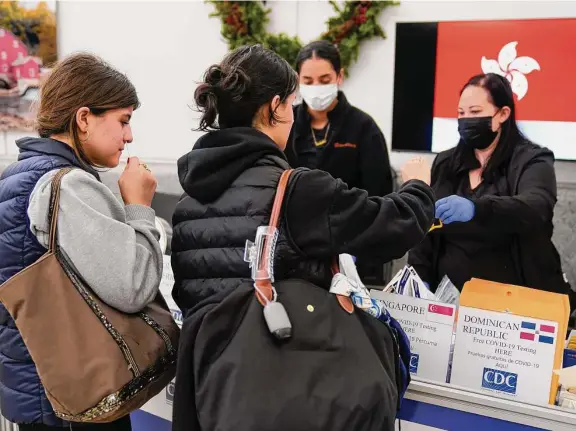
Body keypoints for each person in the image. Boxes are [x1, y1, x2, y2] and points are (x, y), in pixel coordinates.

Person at [170, 44, 434, 429]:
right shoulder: (296, 190)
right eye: (293, 100)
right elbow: (392, 227)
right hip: (286, 390)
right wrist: (418, 187)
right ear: (275, 106)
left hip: (213, 393)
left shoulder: (189, 200)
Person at [0, 53, 163, 430]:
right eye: (123, 120)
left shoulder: (16, 177)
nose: (129, 136)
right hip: (79, 402)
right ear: (84, 118)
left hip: (37, 392)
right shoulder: (69, 185)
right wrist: (138, 207)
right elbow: (133, 286)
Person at [408, 73, 573, 303]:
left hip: (514, 303)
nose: (466, 120)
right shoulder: (446, 163)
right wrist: (418, 277)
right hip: (449, 300)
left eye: (475, 112)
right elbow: (427, 227)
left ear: (503, 114)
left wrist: (478, 209)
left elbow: (537, 207)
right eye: (461, 113)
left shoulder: (532, 159)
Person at [285, 40, 395, 285]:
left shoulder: (363, 128)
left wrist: (360, 253)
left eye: (324, 80)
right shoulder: (287, 125)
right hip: (297, 251)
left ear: (339, 76)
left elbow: (379, 196)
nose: (316, 88)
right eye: (308, 81)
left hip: (353, 250)